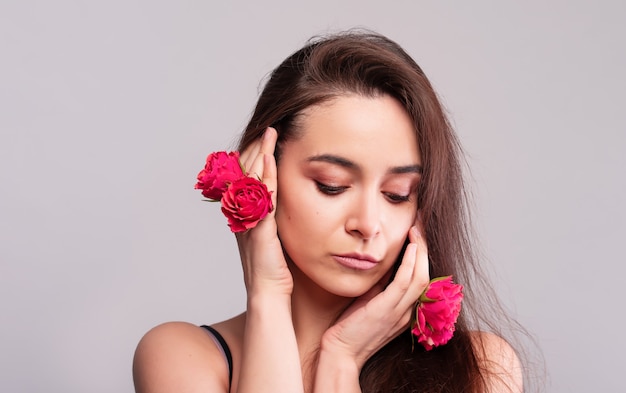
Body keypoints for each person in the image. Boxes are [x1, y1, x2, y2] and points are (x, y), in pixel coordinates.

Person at [133, 31, 529, 393]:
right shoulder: (182, 358)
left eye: (397, 194)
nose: (368, 224)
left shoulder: (481, 369)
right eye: (332, 186)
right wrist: (267, 295)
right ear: (262, 172)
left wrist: (341, 360)